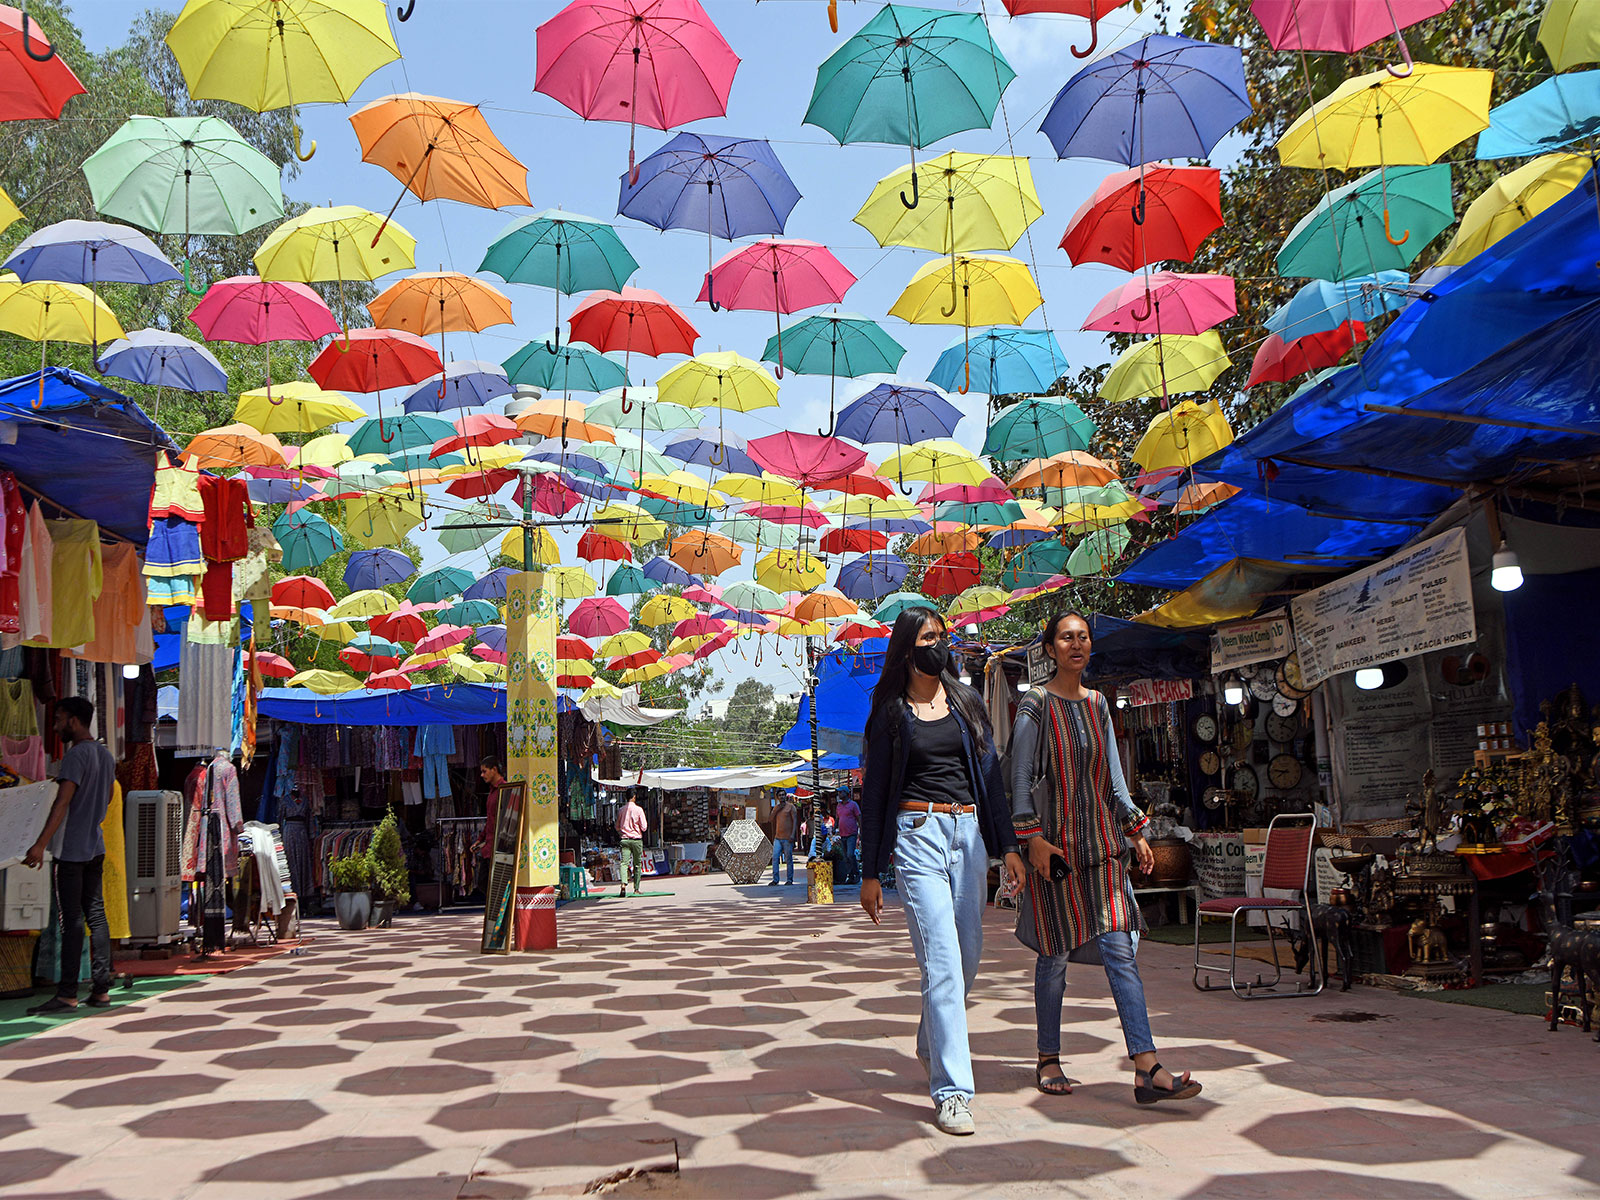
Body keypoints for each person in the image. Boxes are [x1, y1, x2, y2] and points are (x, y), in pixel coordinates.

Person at [1010, 611, 1202, 1105]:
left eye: (1083, 637)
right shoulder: (1034, 704)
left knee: (1122, 951)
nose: (1076, 644)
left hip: (1102, 852)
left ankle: (1146, 1066)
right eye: (1065, 638)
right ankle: (1047, 1056)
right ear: (1050, 649)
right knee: (1053, 959)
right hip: (1054, 854)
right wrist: (1030, 840)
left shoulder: (1098, 705)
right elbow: (1019, 779)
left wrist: (1136, 830)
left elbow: (1114, 781)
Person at [858, 607, 1024, 1136]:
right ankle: (952, 1092)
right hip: (916, 838)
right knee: (944, 962)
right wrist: (869, 871)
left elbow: (992, 781)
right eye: (930, 637)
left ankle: (930, 1041)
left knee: (967, 958)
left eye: (943, 636)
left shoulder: (968, 703)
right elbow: (875, 794)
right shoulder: (889, 712)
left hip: (969, 836)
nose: (941, 644)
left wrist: (1009, 847)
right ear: (909, 650)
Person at [22, 697, 117, 1015]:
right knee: (96, 916)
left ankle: (67, 994)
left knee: (72, 921)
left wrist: (39, 844)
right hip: (95, 846)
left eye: (60, 719)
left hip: (71, 850)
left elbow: (62, 803)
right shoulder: (105, 755)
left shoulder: (75, 756)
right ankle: (101, 990)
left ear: (75, 721)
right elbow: (107, 798)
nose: (55, 725)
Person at [472, 758, 506, 898]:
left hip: (498, 847)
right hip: (489, 847)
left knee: (493, 885)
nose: (482, 775)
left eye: (484, 771)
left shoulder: (504, 790)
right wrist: (480, 840)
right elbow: (490, 820)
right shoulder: (492, 793)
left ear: (494, 770)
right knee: (484, 883)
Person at [616, 788, 648, 897]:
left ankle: (623, 884)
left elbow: (617, 826)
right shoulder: (639, 810)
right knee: (637, 864)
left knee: (624, 863)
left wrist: (623, 832)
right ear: (634, 797)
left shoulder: (621, 810)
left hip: (624, 839)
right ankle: (636, 888)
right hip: (636, 840)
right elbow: (644, 827)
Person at [834, 784, 862, 885]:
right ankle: (850, 876)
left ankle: (856, 873)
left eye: (841, 792)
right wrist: (834, 827)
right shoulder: (839, 806)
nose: (839, 794)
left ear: (846, 793)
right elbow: (837, 818)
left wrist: (861, 831)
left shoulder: (853, 805)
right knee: (845, 857)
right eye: (838, 792)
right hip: (842, 834)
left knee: (850, 854)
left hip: (851, 833)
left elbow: (859, 817)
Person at [769, 794, 798, 886]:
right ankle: (775, 879)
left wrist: (793, 835)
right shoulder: (776, 807)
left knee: (788, 858)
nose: (781, 797)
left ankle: (789, 879)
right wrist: (776, 810)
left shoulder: (791, 807)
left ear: (785, 796)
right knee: (775, 857)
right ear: (777, 797)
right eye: (780, 795)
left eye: (783, 795)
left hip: (787, 837)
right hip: (778, 837)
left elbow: (795, 821)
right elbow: (770, 819)